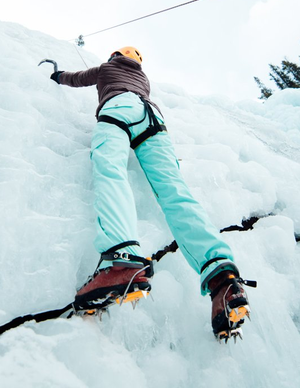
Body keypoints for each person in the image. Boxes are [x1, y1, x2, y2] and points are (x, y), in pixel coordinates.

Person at [50, 46, 253, 340]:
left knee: (111, 170)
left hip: (119, 109)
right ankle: (223, 279)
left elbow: (79, 77)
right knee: (174, 191)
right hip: (153, 119)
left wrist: (58, 75)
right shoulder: (143, 79)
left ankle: (121, 259)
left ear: (115, 57)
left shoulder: (107, 69)